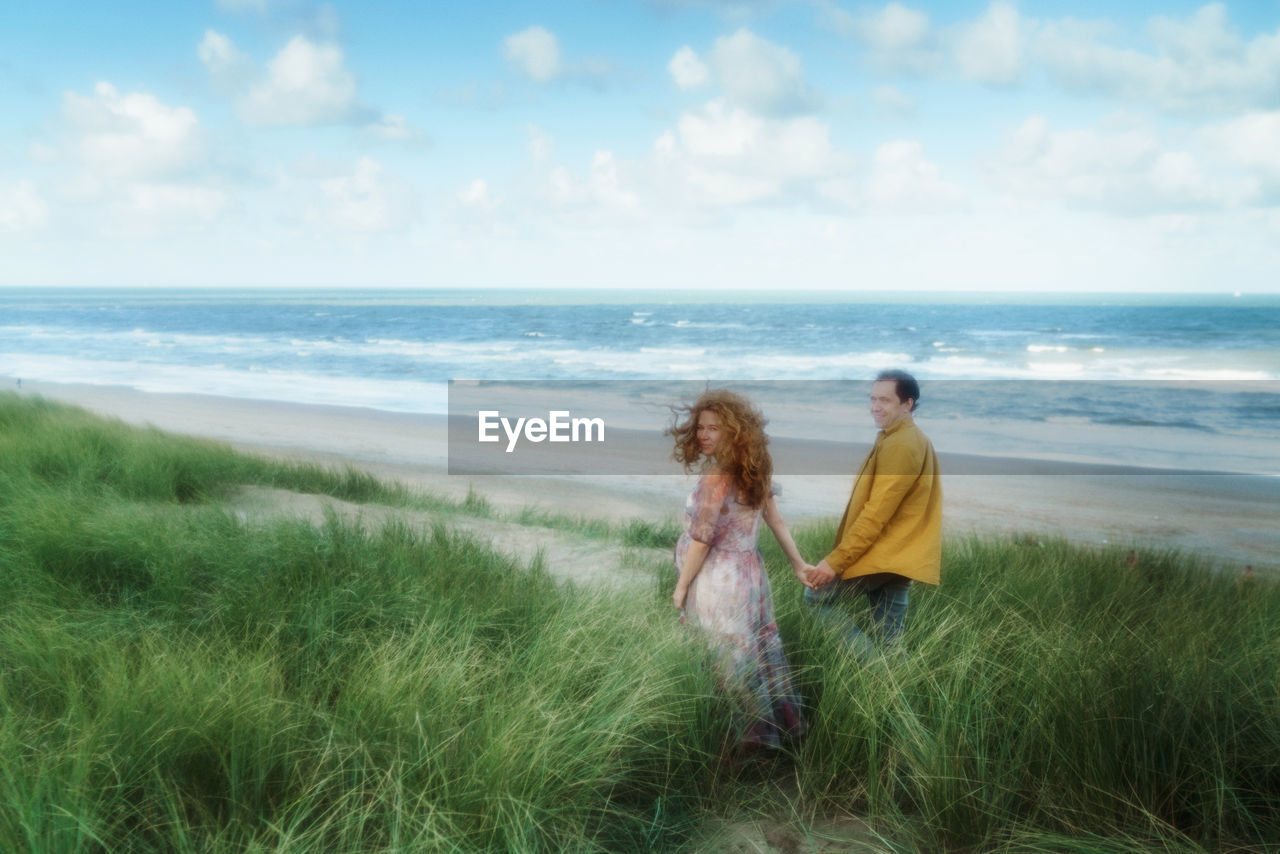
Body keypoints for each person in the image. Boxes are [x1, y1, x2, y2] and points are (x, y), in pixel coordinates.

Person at [669, 389, 807, 751]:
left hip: (718, 581)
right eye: (701, 427)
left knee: (729, 658)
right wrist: (799, 565)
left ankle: (751, 744)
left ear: (734, 431)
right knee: (756, 650)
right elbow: (775, 521)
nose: (704, 435)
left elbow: (702, 540)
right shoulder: (751, 471)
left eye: (714, 428)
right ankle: (779, 732)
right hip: (750, 575)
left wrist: (681, 588)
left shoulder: (717, 480)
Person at [803, 370, 942, 659]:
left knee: (816, 597)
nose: (875, 407)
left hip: (884, 556)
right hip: (898, 557)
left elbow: (876, 514)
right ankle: (895, 695)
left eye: (885, 400)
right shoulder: (902, 437)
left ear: (907, 404)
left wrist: (835, 562)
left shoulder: (902, 444)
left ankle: (874, 671)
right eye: (872, 399)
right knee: (891, 643)